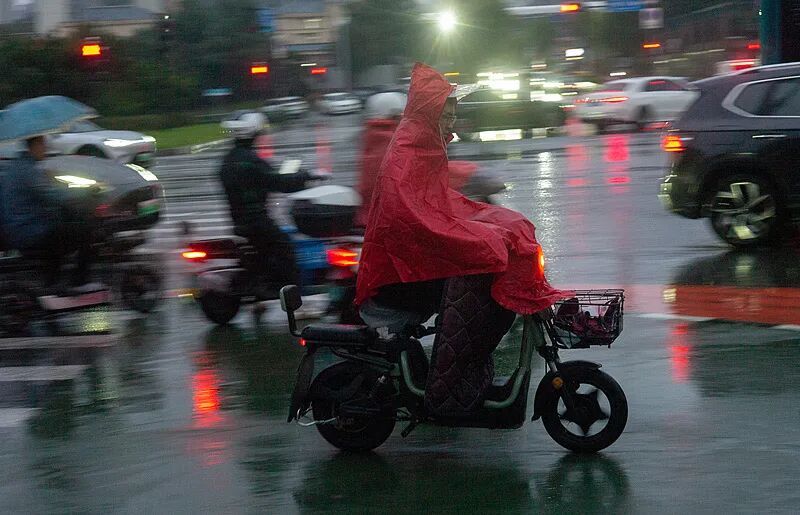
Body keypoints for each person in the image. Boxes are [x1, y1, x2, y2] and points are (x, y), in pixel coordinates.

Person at [355, 63, 568, 417]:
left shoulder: (423, 145)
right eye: (448, 112)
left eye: (454, 112)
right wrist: (480, 237)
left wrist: (495, 222)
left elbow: (441, 202)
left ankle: (470, 371)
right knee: (482, 275)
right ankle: (450, 388)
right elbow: (416, 218)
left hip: (413, 263)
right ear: (431, 112)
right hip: (400, 274)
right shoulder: (407, 152)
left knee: (509, 232)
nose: (453, 120)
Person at [218, 112, 321, 306]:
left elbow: (266, 179)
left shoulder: (229, 160)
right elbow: (278, 182)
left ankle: (264, 282)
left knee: (268, 251)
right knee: (285, 248)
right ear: (253, 134)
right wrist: (306, 176)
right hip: (256, 221)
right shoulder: (250, 161)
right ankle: (292, 297)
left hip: (240, 220)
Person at [0, 135, 100, 293]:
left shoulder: (19, 166)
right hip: (28, 230)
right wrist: (85, 192)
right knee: (83, 231)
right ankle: (78, 282)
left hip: (20, 227)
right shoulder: (28, 171)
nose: (46, 149)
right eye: (44, 145)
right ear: (35, 145)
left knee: (63, 228)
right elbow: (53, 195)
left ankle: (53, 281)